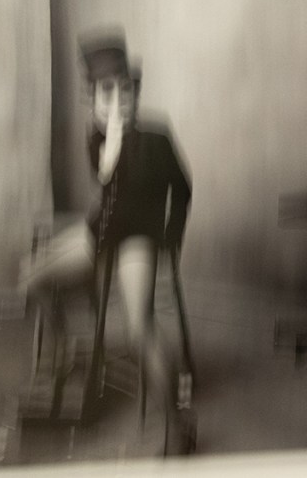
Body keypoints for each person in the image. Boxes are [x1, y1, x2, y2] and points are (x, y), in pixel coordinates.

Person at [23, 32, 194, 455]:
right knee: (31, 277)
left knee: (139, 327)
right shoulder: (96, 138)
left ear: (136, 95)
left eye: (125, 92)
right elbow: (106, 181)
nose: (116, 102)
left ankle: (177, 424)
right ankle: (66, 350)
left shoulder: (157, 136)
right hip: (99, 234)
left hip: (137, 240)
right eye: (106, 93)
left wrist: (171, 235)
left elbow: (183, 187)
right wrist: (112, 139)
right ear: (93, 99)